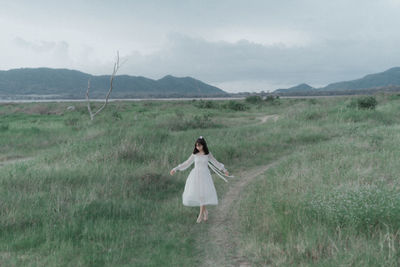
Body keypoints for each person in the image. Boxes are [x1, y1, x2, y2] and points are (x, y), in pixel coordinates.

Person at [170, 136, 232, 223]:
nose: (197, 147)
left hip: (205, 176)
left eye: (199, 145)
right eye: (196, 146)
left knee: (203, 195)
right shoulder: (194, 154)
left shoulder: (208, 154)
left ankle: (200, 214)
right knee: (199, 195)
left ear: (203, 145)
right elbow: (186, 163)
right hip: (195, 176)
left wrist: (224, 170)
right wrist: (175, 169)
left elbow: (215, 162)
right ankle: (205, 212)